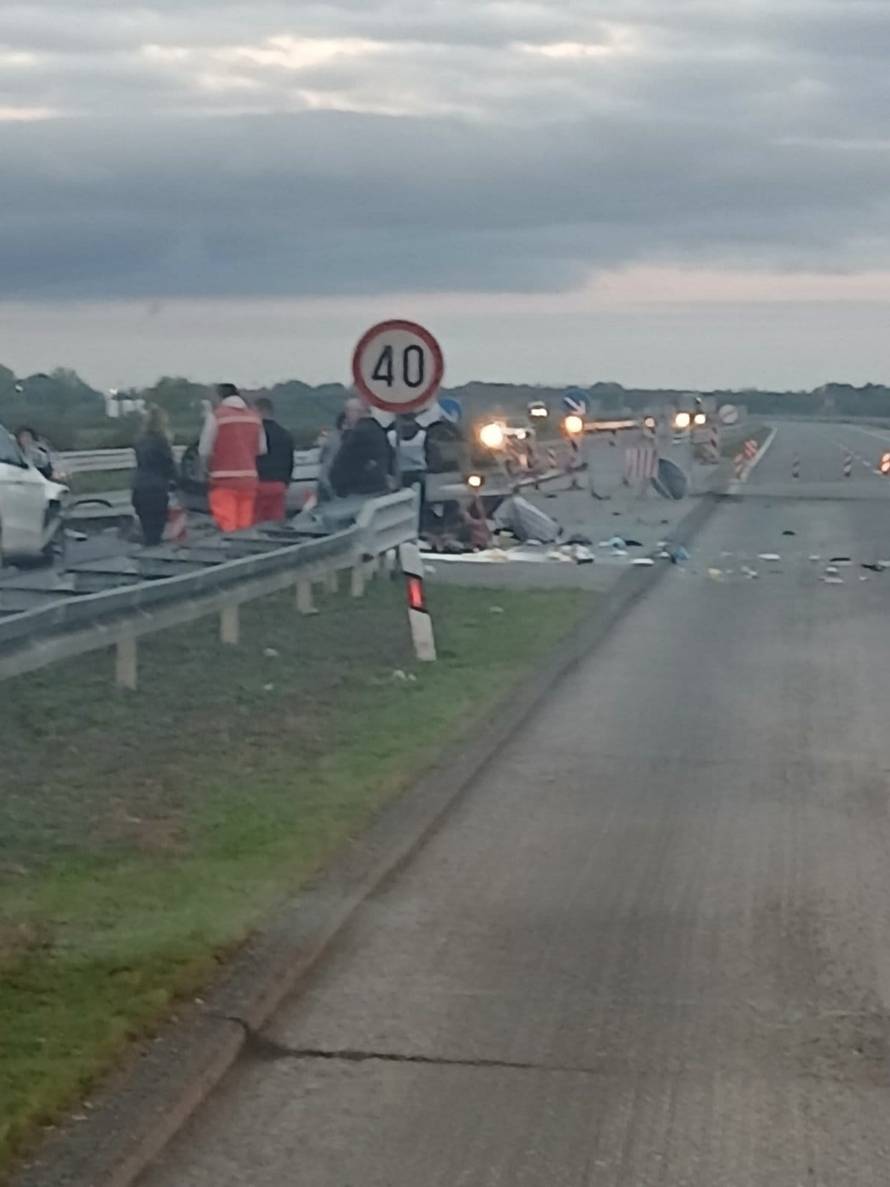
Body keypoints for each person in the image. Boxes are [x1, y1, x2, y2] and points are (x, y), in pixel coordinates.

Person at [198, 383, 265, 532]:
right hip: (249, 479)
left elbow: (204, 450)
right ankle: (244, 550)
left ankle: (230, 551)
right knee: (244, 525)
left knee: (226, 523)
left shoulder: (216, 416)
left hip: (223, 479)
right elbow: (261, 449)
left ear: (219, 396)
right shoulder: (254, 418)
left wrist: (204, 472)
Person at [328, 397, 393, 498]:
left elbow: (343, 460)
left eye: (347, 411)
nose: (346, 416)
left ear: (357, 412)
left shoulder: (358, 433)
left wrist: (336, 482)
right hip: (378, 486)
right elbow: (391, 455)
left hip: (359, 490)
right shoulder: (378, 429)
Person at [132, 405, 177, 546]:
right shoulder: (162, 441)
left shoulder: (139, 441)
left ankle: (145, 560)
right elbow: (168, 465)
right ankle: (153, 563)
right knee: (157, 531)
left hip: (139, 487)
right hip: (156, 489)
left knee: (147, 530)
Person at [254, 396, 295, 522]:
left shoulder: (255, 433)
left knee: (255, 525)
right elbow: (290, 462)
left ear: (259, 411)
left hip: (259, 484)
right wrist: (286, 482)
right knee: (277, 523)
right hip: (279, 485)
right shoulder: (285, 434)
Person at [388, 416, 428, 515]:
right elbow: (432, 455)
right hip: (418, 474)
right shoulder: (423, 435)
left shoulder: (390, 435)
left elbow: (388, 457)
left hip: (401, 475)